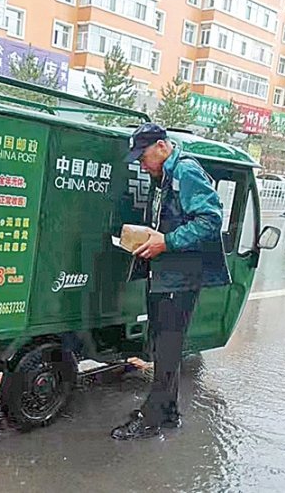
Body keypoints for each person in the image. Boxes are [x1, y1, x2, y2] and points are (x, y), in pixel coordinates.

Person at [111, 123, 231, 440]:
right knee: (165, 348)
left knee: (166, 348)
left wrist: (167, 242)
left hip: (180, 278)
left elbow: (210, 219)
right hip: (166, 276)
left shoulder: (185, 171)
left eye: (143, 157)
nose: (142, 164)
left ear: (162, 147)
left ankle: (152, 419)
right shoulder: (166, 176)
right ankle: (168, 412)